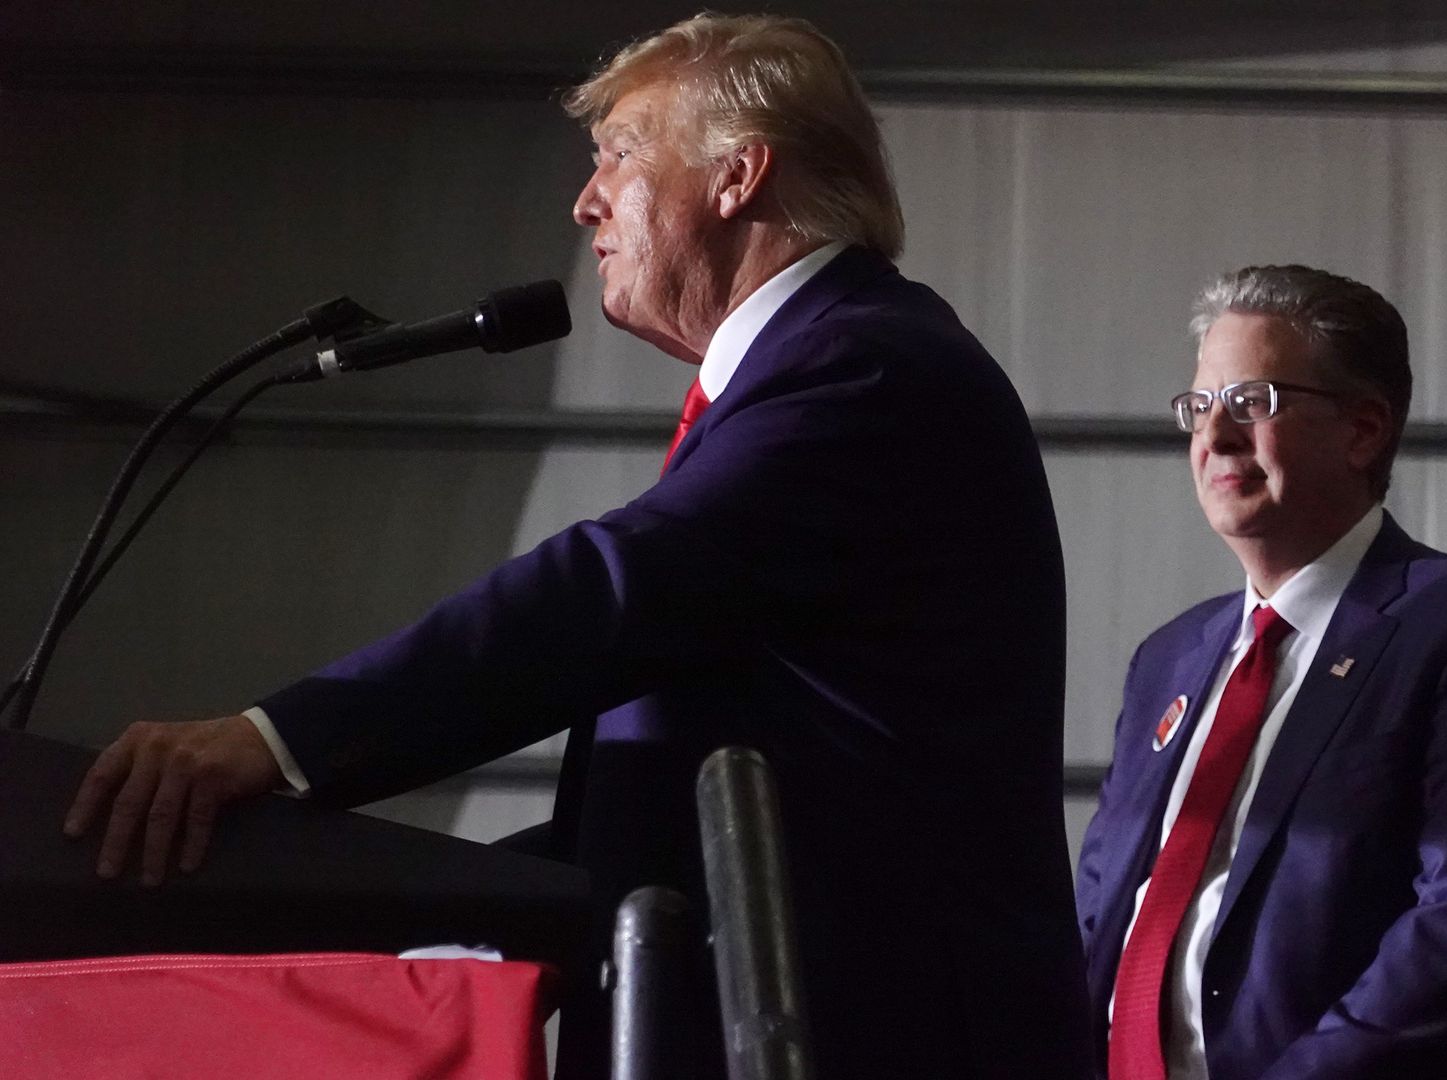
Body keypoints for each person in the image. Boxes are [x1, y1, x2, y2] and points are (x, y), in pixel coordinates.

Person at [62, 14, 1091, 1080]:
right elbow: (681, 783)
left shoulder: (868, 368)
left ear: (739, 176)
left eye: (620, 153)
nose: (585, 199)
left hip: (878, 1035)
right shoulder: (817, 369)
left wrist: (278, 743)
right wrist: (364, 913)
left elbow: (616, 587)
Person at [1076, 264, 1447, 1080]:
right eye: (1200, 407)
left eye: (1253, 402)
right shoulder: (1169, 658)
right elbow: (1102, 911)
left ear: (1364, 429)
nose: (1215, 436)